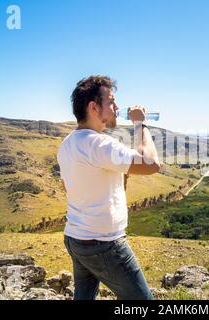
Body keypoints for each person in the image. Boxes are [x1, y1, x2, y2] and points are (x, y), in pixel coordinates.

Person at [57, 75, 160, 300]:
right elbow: (152, 163)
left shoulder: (67, 144)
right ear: (94, 107)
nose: (117, 107)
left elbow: (71, 187)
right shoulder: (99, 144)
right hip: (104, 244)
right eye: (111, 102)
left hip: (76, 238)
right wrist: (140, 123)